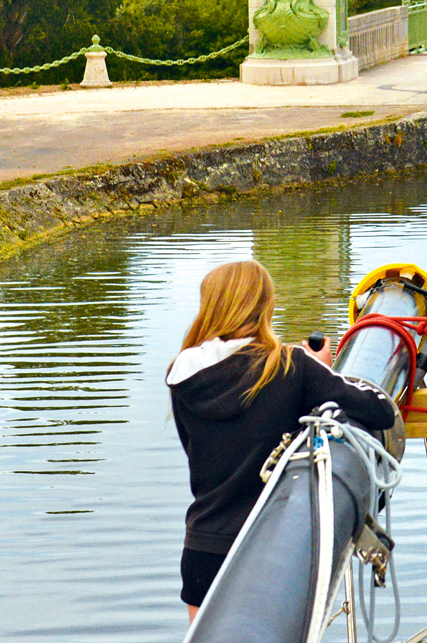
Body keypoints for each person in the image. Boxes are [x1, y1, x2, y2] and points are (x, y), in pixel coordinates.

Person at [167, 259, 394, 621]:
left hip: (203, 545)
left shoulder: (182, 373)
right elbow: (380, 409)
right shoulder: (292, 365)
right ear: (264, 307)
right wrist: (321, 372)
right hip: (273, 545)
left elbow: (199, 447)